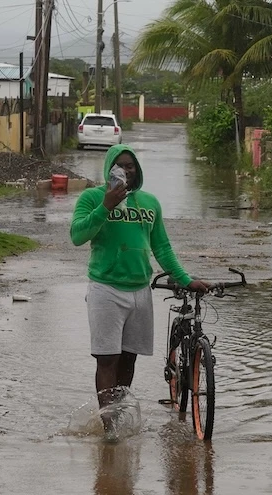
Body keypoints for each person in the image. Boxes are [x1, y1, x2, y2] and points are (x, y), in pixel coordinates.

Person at [70, 144, 209, 417]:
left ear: (137, 170)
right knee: (107, 359)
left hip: (140, 291)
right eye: (119, 165)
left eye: (130, 166)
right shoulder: (91, 197)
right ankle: (109, 427)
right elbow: (77, 235)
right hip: (106, 289)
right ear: (109, 168)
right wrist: (106, 206)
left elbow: (162, 248)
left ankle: (118, 415)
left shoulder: (150, 203)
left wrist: (185, 278)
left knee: (128, 359)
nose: (125, 171)